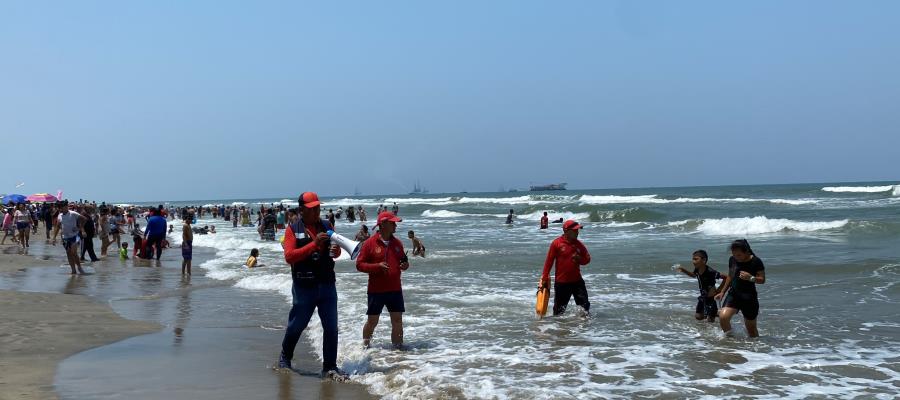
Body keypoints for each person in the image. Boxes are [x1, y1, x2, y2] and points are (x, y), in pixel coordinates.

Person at [278, 192, 347, 380]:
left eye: (318, 207)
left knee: (331, 327)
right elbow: (289, 256)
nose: (317, 211)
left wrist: (336, 250)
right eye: (312, 208)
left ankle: (330, 367)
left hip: (327, 284)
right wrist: (314, 245)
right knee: (297, 325)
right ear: (301, 210)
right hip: (304, 287)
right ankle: (285, 358)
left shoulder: (327, 225)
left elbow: (336, 250)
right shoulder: (292, 229)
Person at [356, 211, 410, 349]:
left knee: (397, 321)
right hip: (376, 290)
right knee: (372, 321)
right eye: (393, 223)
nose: (395, 226)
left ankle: (398, 350)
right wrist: (377, 266)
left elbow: (403, 262)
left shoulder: (397, 243)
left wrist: (405, 265)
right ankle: (365, 347)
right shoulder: (369, 243)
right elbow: (359, 265)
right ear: (384, 224)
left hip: (395, 289)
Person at [715, 239, 766, 337]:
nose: (736, 257)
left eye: (739, 255)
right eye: (734, 255)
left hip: (749, 297)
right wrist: (722, 292)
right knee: (723, 317)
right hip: (733, 294)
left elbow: (762, 280)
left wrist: (751, 278)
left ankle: (756, 349)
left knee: (751, 330)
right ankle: (732, 341)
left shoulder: (756, 261)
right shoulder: (732, 259)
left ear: (746, 252)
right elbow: (730, 276)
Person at [540, 220, 592, 316]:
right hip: (562, 283)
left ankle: (584, 328)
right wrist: (544, 278)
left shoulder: (579, 245)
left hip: (577, 282)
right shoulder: (557, 244)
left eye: (578, 230)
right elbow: (549, 262)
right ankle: (559, 328)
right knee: (559, 312)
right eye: (575, 230)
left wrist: (580, 259)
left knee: (585, 308)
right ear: (566, 231)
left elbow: (587, 259)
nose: (577, 232)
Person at [675, 250, 726, 322]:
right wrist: (683, 270)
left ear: (704, 260)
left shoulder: (710, 272)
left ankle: (716, 316)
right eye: (693, 259)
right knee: (698, 316)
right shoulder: (697, 269)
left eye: (696, 259)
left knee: (710, 320)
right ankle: (716, 313)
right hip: (703, 297)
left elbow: (726, 277)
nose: (693, 261)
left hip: (711, 298)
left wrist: (719, 290)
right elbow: (693, 275)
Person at [52, 202, 87, 274]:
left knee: (74, 252)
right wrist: (54, 237)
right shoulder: (60, 215)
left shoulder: (73, 213)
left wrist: (79, 228)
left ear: (66, 206)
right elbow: (58, 227)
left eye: (63, 207)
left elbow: (84, 219)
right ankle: (73, 270)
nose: (61, 209)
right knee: (68, 253)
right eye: (60, 207)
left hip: (75, 236)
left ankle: (79, 267)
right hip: (65, 237)